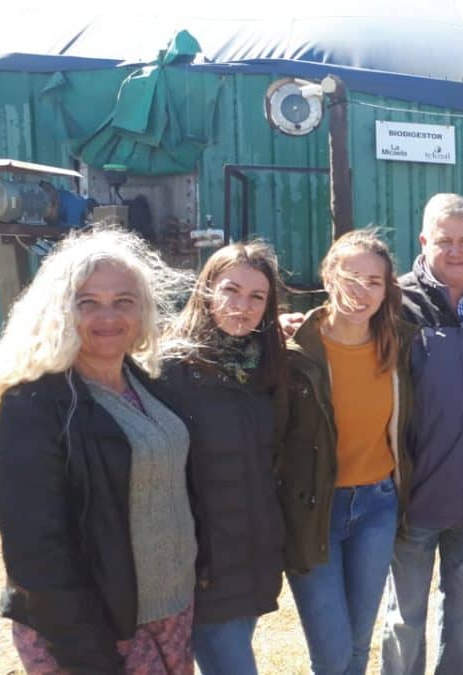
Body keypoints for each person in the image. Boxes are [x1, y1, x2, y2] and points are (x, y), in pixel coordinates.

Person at [0, 228, 197, 673]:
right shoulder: (34, 405)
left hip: (169, 611)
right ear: (59, 312)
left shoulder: (147, 384)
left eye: (123, 301)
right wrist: (88, 655)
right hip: (92, 627)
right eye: (87, 302)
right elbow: (36, 553)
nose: (108, 316)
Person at [380, 193, 463, 675]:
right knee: (404, 619)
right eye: (443, 241)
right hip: (414, 498)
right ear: (423, 241)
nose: (454, 251)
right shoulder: (394, 306)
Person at [276, 229, 416, 675]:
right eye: (350, 278)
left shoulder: (401, 344)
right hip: (315, 510)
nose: (361, 292)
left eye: (374, 282)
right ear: (328, 277)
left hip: (377, 506)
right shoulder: (295, 350)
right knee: (333, 654)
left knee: (358, 645)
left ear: (386, 289)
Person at [161, 241, 288, 675]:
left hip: (252, 555)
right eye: (231, 290)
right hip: (202, 567)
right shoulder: (170, 369)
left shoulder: (265, 368)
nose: (242, 306)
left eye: (257, 297)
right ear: (206, 291)